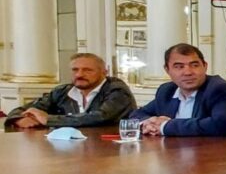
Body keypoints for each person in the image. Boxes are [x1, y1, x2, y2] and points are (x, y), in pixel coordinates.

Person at [130, 43, 226, 137]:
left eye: (195, 65)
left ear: (205, 66)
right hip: (174, 155)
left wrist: (165, 126)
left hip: (221, 157)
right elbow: (136, 115)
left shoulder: (220, 89)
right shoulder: (167, 91)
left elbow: (221, 124)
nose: (188, 72)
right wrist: (147, 123)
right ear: (167, 70)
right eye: (179, 67)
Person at [4, 52, 136, 129]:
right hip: (69, 149)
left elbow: (100, 117)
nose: (79, 74)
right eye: (75, 70)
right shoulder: (62, 91)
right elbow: (23, 110)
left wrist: (48, 119)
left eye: (87, 70)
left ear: (104, 72)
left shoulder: (117, 90)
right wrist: (19, 119)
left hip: (108, 150)